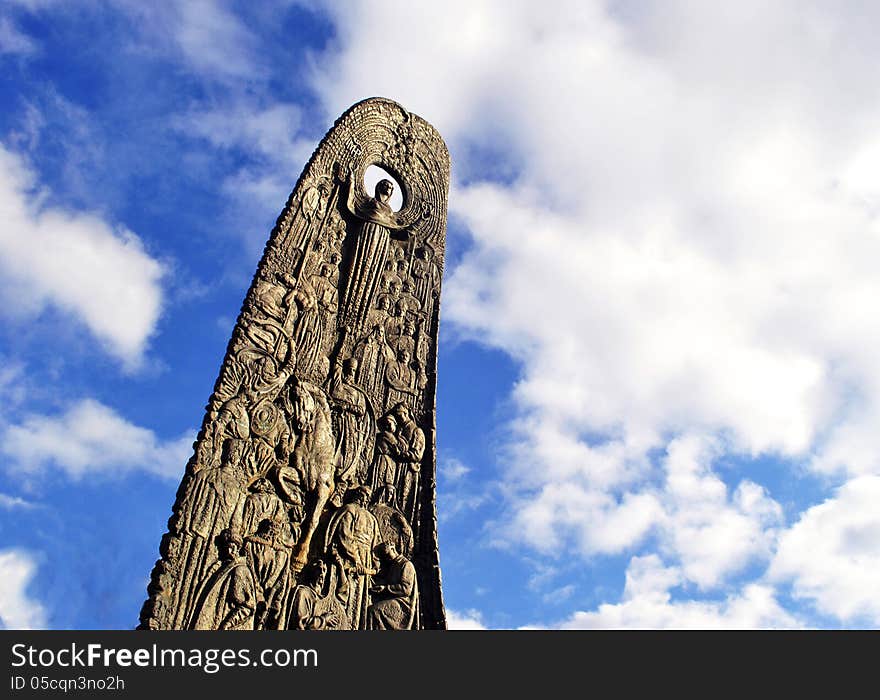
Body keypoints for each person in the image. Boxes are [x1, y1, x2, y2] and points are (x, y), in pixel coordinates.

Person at [324, 486, 380, 629]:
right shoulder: (349, 509)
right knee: (344, 590)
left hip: (365, 557)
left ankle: (353, 625)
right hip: (348, 557)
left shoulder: (371, 518)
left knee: (359, 596)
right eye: (363, 495)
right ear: (358, 495)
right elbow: (344, 535)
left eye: (368, 495)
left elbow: (376, 543)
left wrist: (375, 563)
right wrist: (356, 559)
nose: (365, 498)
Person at [367, 542, 419, 630]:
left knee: (374, 610)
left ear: (393, 549)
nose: (386, 558)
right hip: (392, 599)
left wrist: (385, 589)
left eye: (387, 555)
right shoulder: (392, 566)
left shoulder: (406, 564)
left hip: (403, 604)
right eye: (384, 556)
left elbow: (406, 589)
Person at [288, 560, 340, 630]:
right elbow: (301, 623)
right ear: (312, 572)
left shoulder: (322, 599)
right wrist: (324, 620)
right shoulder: (303, 592)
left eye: (324, 570)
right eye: (319, 569)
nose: (321, 573)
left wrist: (340, 566)